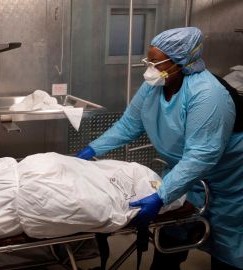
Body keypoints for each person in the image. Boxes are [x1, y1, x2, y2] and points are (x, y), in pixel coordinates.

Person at [76, 27, 243, 270]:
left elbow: (202, 155)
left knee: (227, 246)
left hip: (226, 179)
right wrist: (91, 150)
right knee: (170, 237)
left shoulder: (207, 95)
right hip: (183, 174)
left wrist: (162, 195)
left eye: (156, 61)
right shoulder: (154, 86)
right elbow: (128, 126)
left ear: (181, 62)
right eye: (149, 59)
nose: (149, 67)